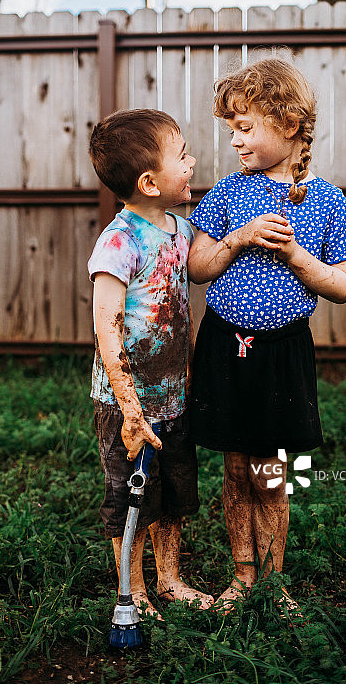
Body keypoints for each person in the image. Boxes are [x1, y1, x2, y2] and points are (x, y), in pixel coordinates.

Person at [187, 58, 346, 612]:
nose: (235, 141)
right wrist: (238, 237)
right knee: (236, 463)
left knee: (270, 469)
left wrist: (292, 252)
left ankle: (274, 578)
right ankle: (243, 576)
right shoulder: (226, 194)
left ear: (287, 123)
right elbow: (197, 267)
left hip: (282, 353)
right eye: (231, 130)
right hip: (224, 343)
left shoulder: (327, 200)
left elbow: (343, 286)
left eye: (245, 128)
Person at [88, 108, 213, 618]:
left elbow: (203, 273)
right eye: (182, 156)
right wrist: (131, 409)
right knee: (130, 499)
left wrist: (242, 238)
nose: (193, 161)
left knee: (175, 493)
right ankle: (132, 587)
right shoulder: (118, 242)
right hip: (127, 406)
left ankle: (169, 579)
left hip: (174, 396)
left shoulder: (180, 231)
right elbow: (106, 329)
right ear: (149, 181)